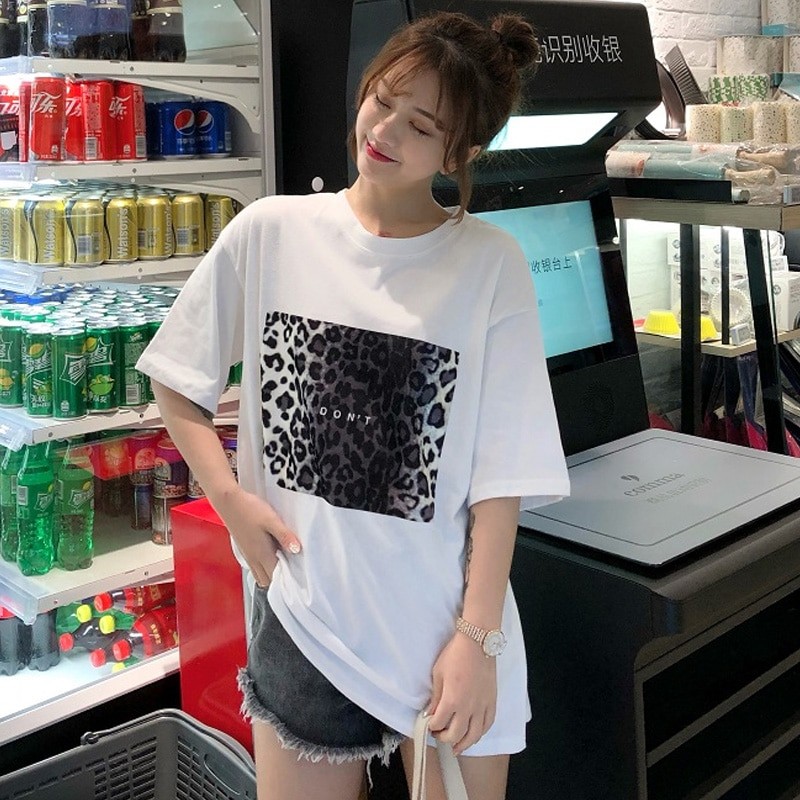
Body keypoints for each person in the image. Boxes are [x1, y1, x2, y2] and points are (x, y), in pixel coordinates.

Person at [137, 9, 569, 800]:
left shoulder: (488, 264)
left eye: (422, 125)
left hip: (447, 631)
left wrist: (478, 638)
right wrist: (229, 500)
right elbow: (176, 376)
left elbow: (501, 476)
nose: (384, 131)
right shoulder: (272, 232)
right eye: (382, 100)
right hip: (307, 622)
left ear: (463, 153)